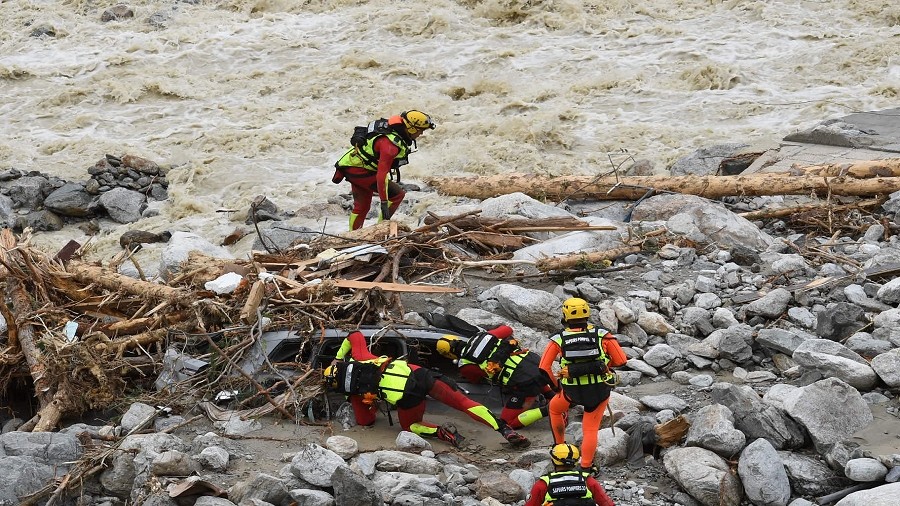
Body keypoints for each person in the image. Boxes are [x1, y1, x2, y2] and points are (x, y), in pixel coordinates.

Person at [324, 331, 530, 448]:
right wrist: (339, 356)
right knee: (464, 403)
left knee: (411, 427)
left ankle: (443, 433)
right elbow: (354, 334)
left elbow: (366, 421)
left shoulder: (355, 393)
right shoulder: (363, 357)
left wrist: (365, 400)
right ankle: (504, 429)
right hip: (421, 375)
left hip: (408, 398)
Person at [539, 298, 628, 474]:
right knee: (590, 430)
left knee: (555, 410)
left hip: (571, 390)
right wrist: (604, 366)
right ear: (587, 313)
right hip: (599, 391)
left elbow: (543, 367)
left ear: (565, 315)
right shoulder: (603, 335)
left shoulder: (559, 338)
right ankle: (586, 467)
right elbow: (622, 360)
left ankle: (559, 446)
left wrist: (557, 387)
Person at [332, 110, 436, 231]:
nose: (421, 133)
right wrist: (384, 202)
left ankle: (353, 234)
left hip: (353, 166)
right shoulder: (390, 146)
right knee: (398, 195)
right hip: (360, 171)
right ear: (411, 128)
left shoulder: (393, 129)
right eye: (420, 130)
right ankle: (381, 229)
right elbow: (381, 176)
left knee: (362, 206)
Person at [436, 324, 556, 429]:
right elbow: (507, 329)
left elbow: (476, 380)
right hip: (536, 362)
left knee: (507, 422)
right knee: (532, 374)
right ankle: (552, 396)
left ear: (449, 355)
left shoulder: (465, 365)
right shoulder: (482, 336)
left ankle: (549, 410)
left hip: (524, 382)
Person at [525, 443, 616, 506]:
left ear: (553, 461)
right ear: (576, 462)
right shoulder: (588, 480)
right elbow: (607, 504)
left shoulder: (543, 484)